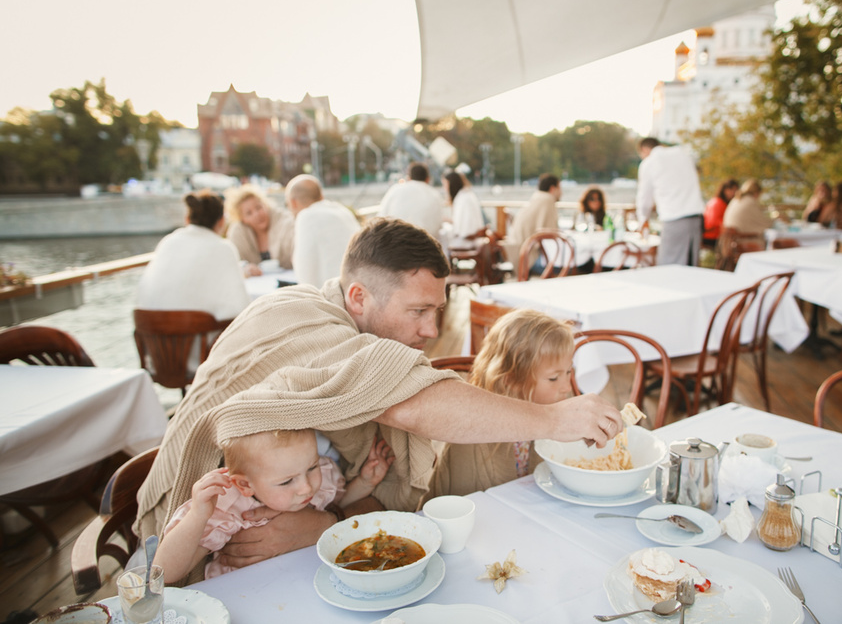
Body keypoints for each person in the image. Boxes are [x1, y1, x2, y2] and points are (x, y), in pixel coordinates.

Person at [135, 217, 621, 584]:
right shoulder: (311, 328)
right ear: (359, 297)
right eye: (418, 311)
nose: (431, 332)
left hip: (295, 533)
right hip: (193, 556)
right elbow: (413, 403)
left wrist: (321, 524)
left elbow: (359, 485)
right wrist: (554, 418)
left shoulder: (350, 334)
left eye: (438, 312)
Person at [154, 429, 393, 583]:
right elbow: (164, 572)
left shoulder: (312, 475)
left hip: (308, 582)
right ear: (245, 484)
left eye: (312, 468)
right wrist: (198, 515)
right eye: (287, 481)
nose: (306, 488)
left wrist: (364, 482)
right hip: (246, 596)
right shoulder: (228, 505)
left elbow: (337, 505)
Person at [428, 309, 575, 498]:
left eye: (569, 372)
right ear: (511, 380)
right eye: (554, 378)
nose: (566, 386)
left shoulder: (551, 416)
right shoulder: (472, 440)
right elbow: (458, 505)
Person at [136, 190, 250, 375]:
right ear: (222, 221)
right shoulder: (222, 248)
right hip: (202, 361)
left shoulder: (168, 242)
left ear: (187, 218)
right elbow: (240, 310)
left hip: (158, 356)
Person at [635, 138, 705, 266]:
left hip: (674, 219)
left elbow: (644, 199)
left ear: (644, 150)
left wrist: (643, 220)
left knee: (668, 267)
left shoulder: (649, 163)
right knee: (691, 265)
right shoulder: (682, 154)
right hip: (696, 218)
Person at [285, 174, 361, 288]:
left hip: (337, 293)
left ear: (293, 202)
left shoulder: (306, 217)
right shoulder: (342, 211)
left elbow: (304, 271)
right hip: (359, 285)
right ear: (321, 196)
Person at [224, 184, 295, 275]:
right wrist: (245, 268)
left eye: (259, 207)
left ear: (265, 205)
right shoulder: (239, 234)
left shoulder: (285, 222)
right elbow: (233, 263)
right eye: (249, 213)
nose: (257, 215)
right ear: (243, 219)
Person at [377, 162, 444, 239]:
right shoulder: (435, 194)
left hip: (395, 242)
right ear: (428, 179)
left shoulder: (395, 190)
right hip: (425, 244)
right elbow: (438, 225)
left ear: (409, 178)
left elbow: (380, 218)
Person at [504, 173, 561, 263]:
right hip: (528, 258)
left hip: (516, 252)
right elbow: (553, 235)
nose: (561, 192)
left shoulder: (537, 197)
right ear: (552, 189)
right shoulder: (547, 200)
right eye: (560, 188)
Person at [722, 179, 773, 247]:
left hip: (731, 242)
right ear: (756, 193)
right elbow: (763, 223)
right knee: (771, 239)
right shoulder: (750, 201)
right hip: (743, 240)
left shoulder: (736, 199)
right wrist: (776, 220)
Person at [443, 170, 486, 242]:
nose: (444, 188)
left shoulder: (461, 198)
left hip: (466, 240)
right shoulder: (467, 194)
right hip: (475, 238)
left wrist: (445, 220)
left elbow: (459, 228)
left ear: (451, 184)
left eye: (445, 184)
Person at [702, 179, 739, 247]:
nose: (733, 193)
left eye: (735, 190)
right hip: (711, 236)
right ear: (724, 190)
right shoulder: (718, 203)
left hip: (710, 235)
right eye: (731, 190)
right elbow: (714, 222)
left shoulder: (716, 201)